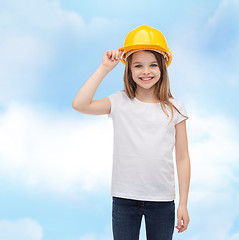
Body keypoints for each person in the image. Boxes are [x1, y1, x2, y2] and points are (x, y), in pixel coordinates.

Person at [72, 25, 191, 240]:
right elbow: (80, 104)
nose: (146, 71)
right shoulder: (119, 101)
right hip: (124, 199)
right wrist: (104, 68)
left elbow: (182, 158)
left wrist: (183, 203)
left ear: (163, 67)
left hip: (163, 201)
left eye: (153, 65)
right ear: (129, 69)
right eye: (138, 65)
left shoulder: (176, 108)